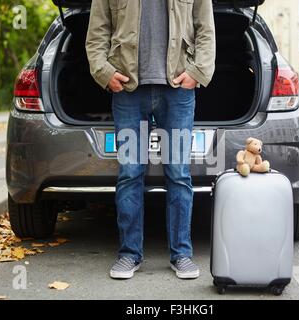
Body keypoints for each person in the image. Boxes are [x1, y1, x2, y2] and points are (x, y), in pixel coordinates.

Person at [86, 0, 216, 280]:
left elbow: (205, 30)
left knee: (179, 173)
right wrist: (104, 73)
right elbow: (97, 33)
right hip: (128, 92)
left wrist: (196, 72)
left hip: (177, 91)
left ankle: (181, 254)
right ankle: (129, 254)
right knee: (130, 173)